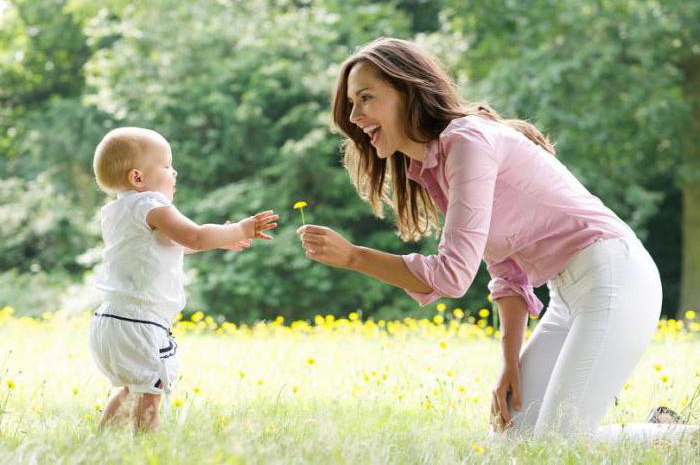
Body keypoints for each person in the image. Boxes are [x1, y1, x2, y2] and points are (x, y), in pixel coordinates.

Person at [297, 38, 697, 440]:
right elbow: (506, 270)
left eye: (366, 98)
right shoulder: (436, 166)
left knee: (560, 445)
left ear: (409, 92)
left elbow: (452, 276)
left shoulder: (467, 142)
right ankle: (663, 432)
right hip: (569, 296)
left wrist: (353, 257)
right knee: (510, 439)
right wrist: (510, 364)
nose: (354, 115)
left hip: (613, 277)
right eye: (351, 102)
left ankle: (679, 437)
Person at [90, 127, 278, 432]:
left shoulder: (116, 210)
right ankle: (147, 452)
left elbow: (175, 244)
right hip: (140, 322)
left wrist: (219, 240)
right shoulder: (151, 204)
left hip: (110, 320)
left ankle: (100, 446)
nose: (174, 171)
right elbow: (195, 235)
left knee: (133, 390)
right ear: (138, 178)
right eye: (166, 165)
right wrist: (240, 230)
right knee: (150, 394)